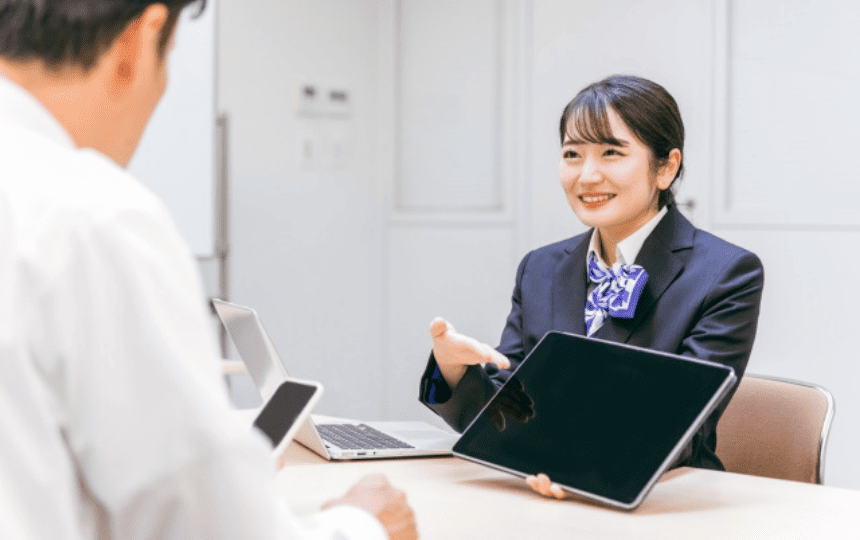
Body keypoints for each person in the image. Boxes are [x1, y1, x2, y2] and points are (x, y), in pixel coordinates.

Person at [0, 1, 417, 538]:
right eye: (169, 57)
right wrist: (364, 525)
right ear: (138, 41)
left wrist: (221, 471)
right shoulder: (92, 217)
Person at [419, 74, 764, 499]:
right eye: (572, 154)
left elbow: (678, 425)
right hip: (539, 492)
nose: (586, 176)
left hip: (660, 501)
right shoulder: (540, 268)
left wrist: (565, 462)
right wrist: (452, 369)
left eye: (611, 153)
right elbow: (504, 413)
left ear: (666, 167)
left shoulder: (726, 273)